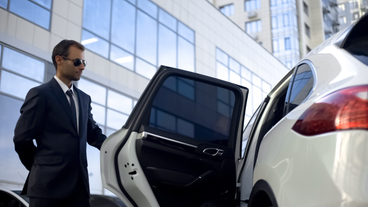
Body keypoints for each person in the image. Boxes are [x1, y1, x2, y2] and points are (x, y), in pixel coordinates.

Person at [13, 40, 107, 207]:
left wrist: (120, 145)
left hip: (79, 191)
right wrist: (40, 167)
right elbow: (22, 139)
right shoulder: (40, 94)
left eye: (84, 62)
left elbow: (93, 134)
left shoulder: (84, 99)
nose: (83, 67)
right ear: (59, 60)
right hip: (48, 189)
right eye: (78, 61)